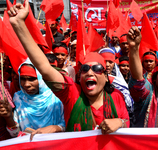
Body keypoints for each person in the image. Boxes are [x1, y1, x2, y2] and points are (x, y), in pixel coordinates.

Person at [8, 1, 129, 136]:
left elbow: (126, 122)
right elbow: (45, 68)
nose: (90, 72)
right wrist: (19, 25)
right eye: (84, 69)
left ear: (106, 77)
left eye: (97, 68)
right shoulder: (72, 94)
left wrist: (120, 123)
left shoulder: (116, 96)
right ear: (79, 77)